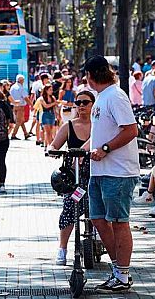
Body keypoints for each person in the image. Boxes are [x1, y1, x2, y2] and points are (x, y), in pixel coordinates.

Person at [83, 55, 139, 292]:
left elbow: (131, 130)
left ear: (90, 75)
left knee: (118, 221)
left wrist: (105, 149)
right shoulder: (101, 98)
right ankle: (117, 269)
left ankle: (123, 274)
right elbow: (101, 132)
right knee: (97, 218)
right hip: (100, 171)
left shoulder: (115, 96)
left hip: (118, 171)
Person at [47, 90, 94, 265]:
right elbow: (54, 145)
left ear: (93, 104)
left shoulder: (99, 125)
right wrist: (52, 151)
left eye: (85, 102)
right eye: (78, 102)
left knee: (99, 209)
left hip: (96, 174)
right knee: (69, 209)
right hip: (74, 179)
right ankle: (62, 248)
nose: (81, 106)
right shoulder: (68, 126)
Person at [9, 74, 33, 140]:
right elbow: (25, 98)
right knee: (19, 121)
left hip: (14, 106)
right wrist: (31, 105)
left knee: (21, 120)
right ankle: (13, 135)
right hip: (20, 106)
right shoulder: (21, 88)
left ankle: (26, 134)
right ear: (21, 80)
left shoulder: (12, 87)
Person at [39, 84, 58, 149]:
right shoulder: (42, 98)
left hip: (52, 115)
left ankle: (46, 145)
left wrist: (57, 115)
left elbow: (55, 106)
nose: (51, 91)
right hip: (45, 115)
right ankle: (50, 146)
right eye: (50, 90)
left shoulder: (52, 97)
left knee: (51, 132)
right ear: (46, 90)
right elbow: (46, 106)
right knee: (48, 132)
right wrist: (54, 103)